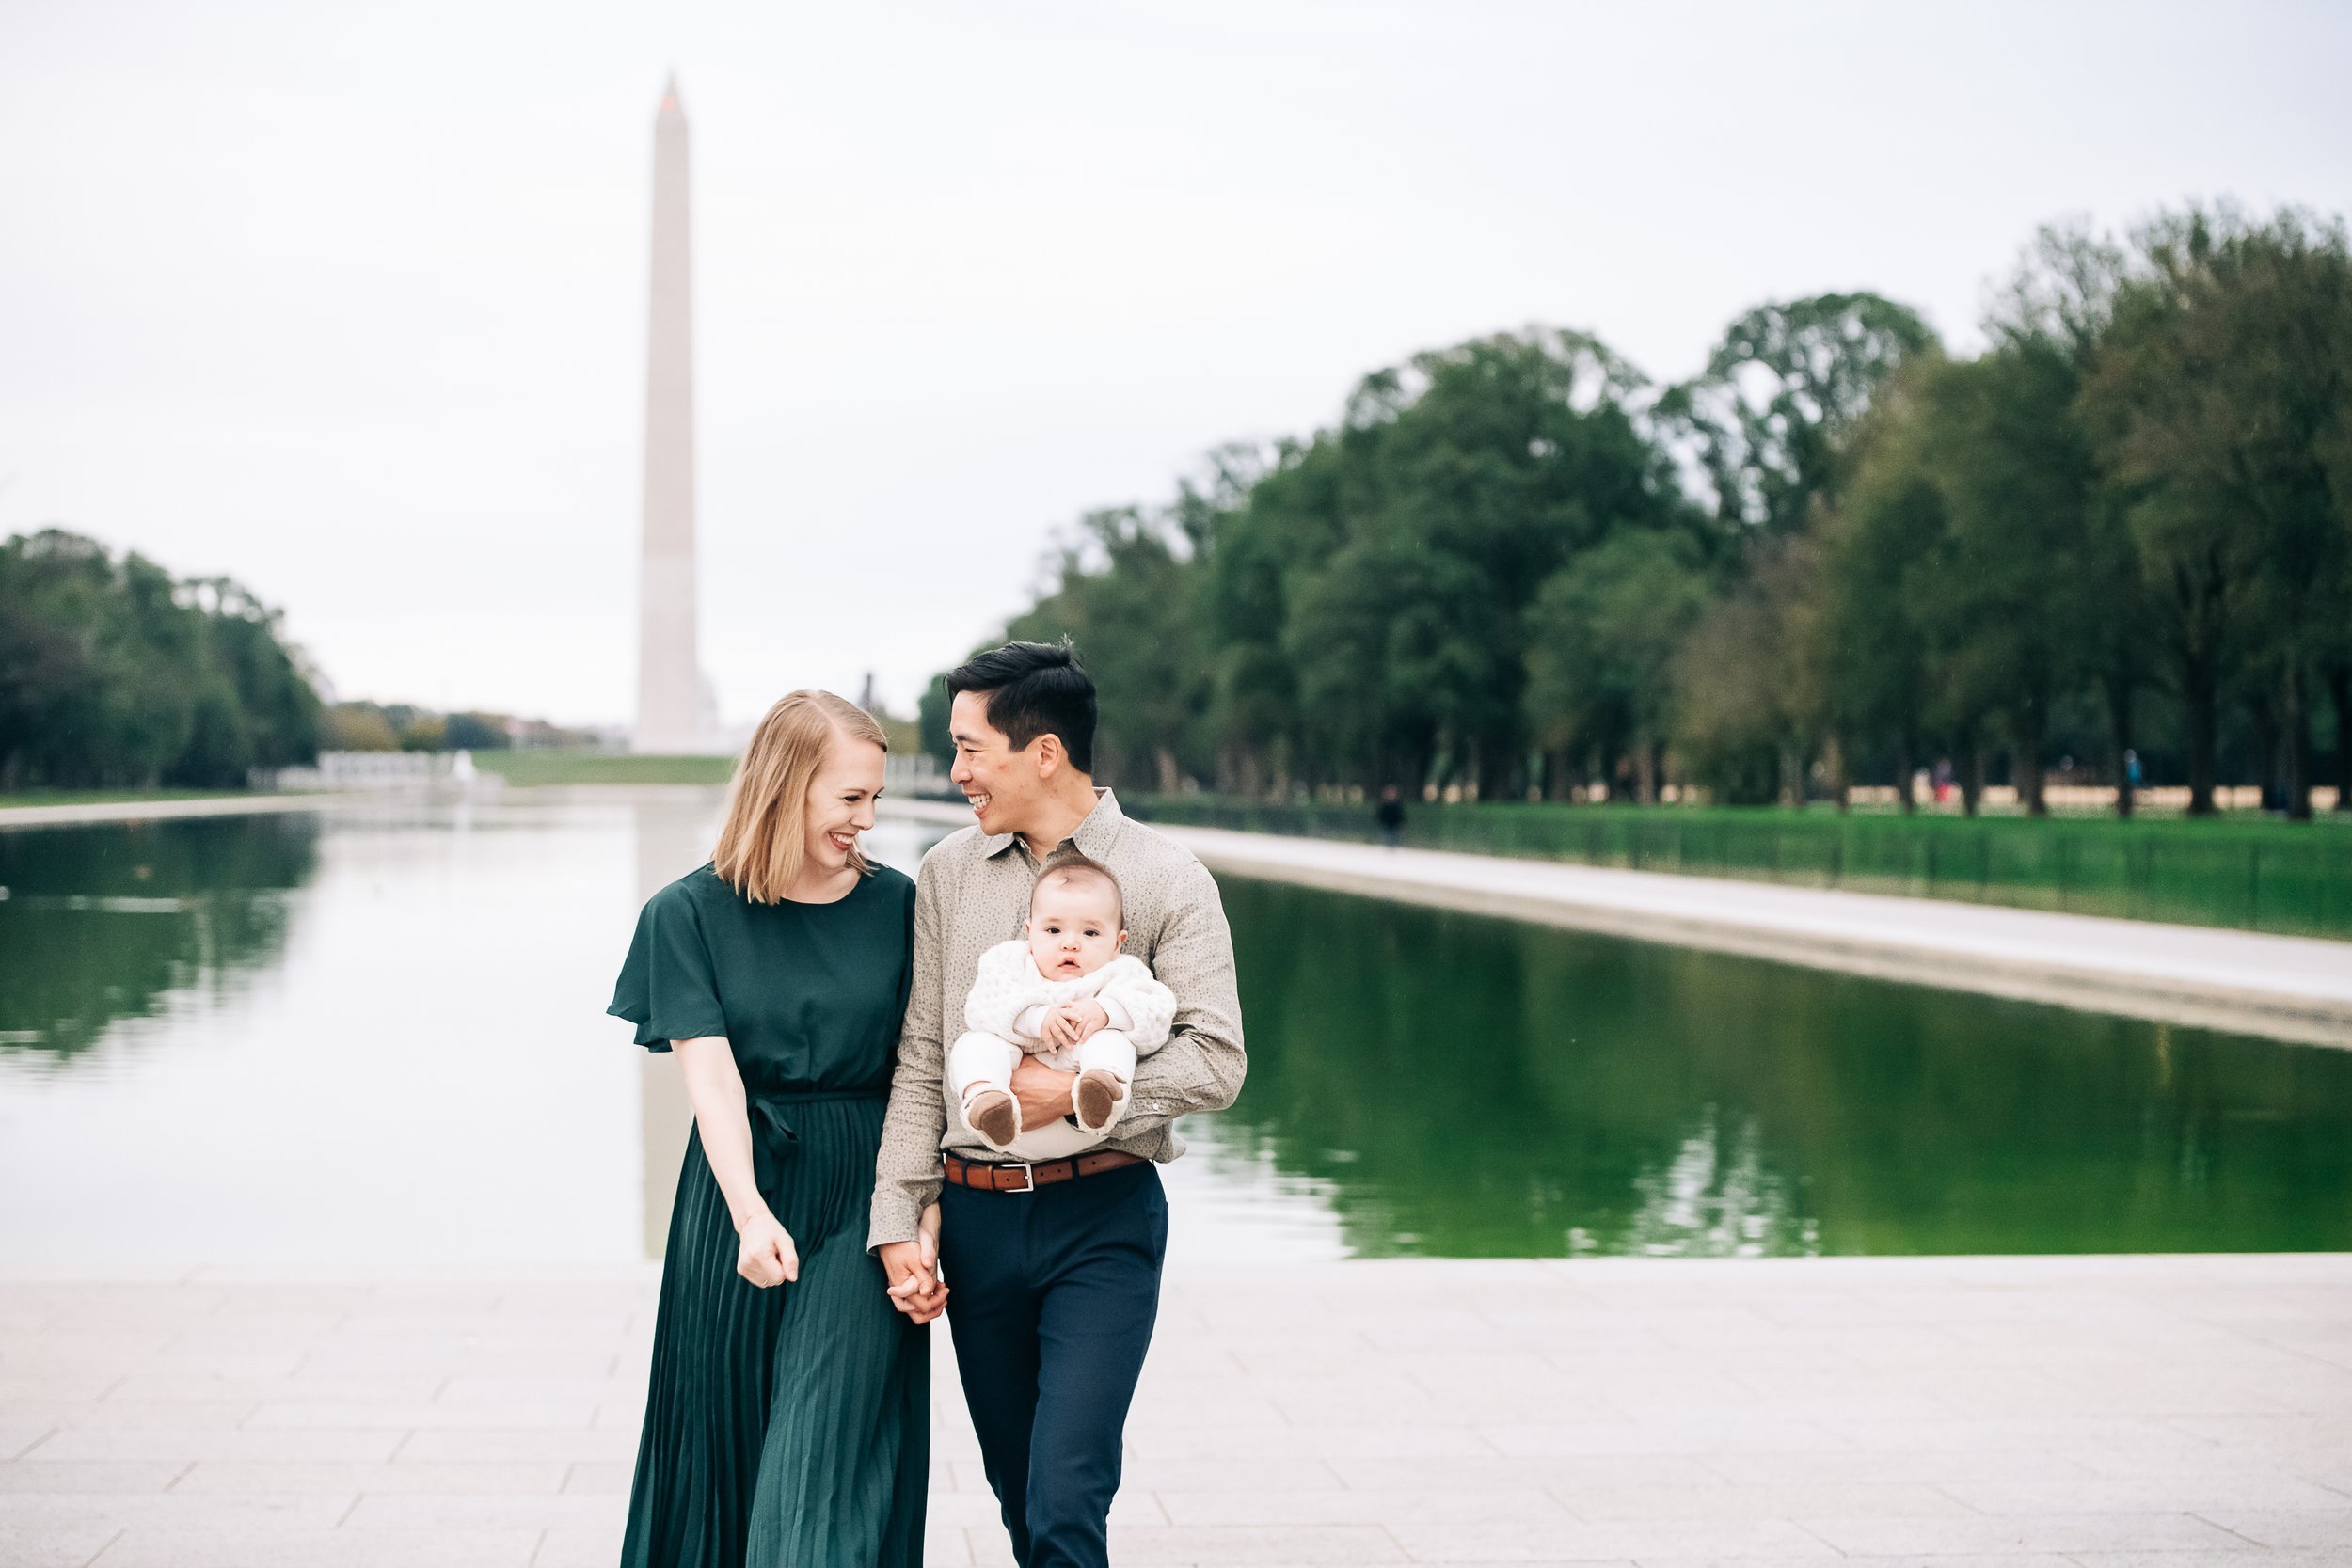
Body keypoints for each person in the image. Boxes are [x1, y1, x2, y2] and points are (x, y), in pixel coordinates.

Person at [870, 639, 1245, 1568]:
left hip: (1102, 1222)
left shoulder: (1165, 878)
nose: (956, 770)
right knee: (1021, 1495)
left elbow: (1217, 1056)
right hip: (975, 1225)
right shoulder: (948, 873)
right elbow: (923, 1054)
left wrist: (1067, 1102)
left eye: (969, 747)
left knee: (1066, 1491)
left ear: (1042, 750)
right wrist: (896, 1216)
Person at [610, 690, 933, 1567]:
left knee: (822, 1471)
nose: (868, 820)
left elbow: (925, 1075)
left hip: (867, 1196)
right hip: (734, 1199)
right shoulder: (684, 914)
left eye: (873, 797)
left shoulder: (901, 903)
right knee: (722, 1459)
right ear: (786, 785)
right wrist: (749, 1211)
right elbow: (711, 1082)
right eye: (851, 799)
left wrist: (920, 1222)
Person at [950, 854, 1177, 1150]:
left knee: (1112, 1040)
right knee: (974, 1044)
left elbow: (1158, 1013)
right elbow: (982, 1006)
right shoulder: (1011, 962)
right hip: (1013, 1093)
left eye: (1091, 932)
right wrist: (1036, 1018)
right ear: (1030, 933)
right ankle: (987, 1099)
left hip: (1080, 1109)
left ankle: (1101, 1091)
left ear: (1117, 943)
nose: (1070, 943)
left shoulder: (1121, 972)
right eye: (1054, 930)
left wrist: (1107, 1012)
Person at [1375, 783, 1406, 848]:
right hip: (1386, 825)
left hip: (1395, 825)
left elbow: (1400, 815)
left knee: (1395, 841)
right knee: (1387, 841)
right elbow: (1380, 814)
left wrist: (1401, 824)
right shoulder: (1383, 804)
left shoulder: (1397, 804)